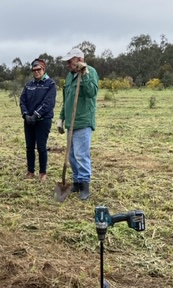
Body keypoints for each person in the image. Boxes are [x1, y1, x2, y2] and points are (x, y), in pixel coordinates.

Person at [59, 48, 99, 200]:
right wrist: (62, 118)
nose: (67, 64)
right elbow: (67, 99)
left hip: (82, 121)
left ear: (79, 59)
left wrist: (86, 73)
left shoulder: (90, 72)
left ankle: (85, 185)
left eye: (70, 61)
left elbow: (91, 92)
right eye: (67, 62)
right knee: (71, 156)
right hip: (71, 122)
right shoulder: (70, 76)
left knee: (81, 155)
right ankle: (76, 181)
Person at [20, 58, 57, 181]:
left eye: (38, 69)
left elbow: (48, 103)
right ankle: (30, 171)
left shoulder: (50, 84)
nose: (36, 72)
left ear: (43, 69)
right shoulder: (29, 85)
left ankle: (43, 173)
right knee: (29, 147)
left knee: (41, 146)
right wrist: (26, 115)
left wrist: (36, 115)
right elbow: (22, 100)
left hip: (43, 120)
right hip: (28, 120)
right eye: (34, 70)